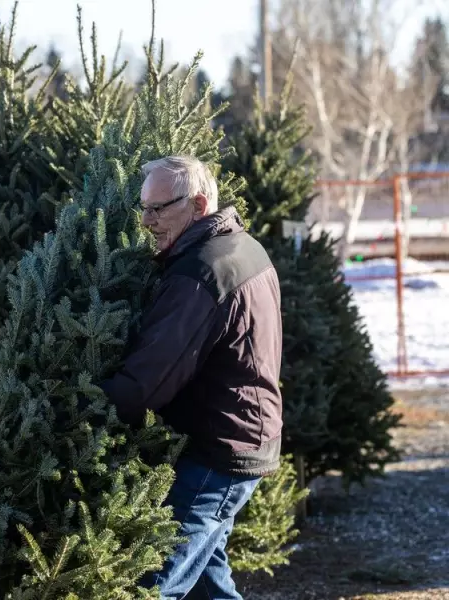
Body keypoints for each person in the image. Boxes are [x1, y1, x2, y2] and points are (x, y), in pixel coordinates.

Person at [97, 155, 284, 599]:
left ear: (198, 205)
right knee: (209, 587)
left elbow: (147, 382)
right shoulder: (244, 248)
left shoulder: (202, 272)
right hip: (242, 437)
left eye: (158, 209)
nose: (147, 221)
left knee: (156, 586)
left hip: (216, 454)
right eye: (143, 208)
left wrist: (79, 405)